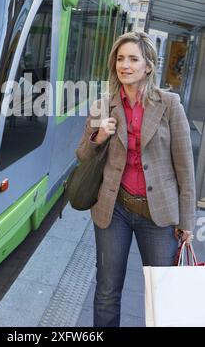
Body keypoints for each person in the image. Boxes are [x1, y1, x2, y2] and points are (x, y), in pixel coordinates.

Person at [76, 31, 196, 327]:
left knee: (160, 294)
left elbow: (185, 169)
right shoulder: (103, 105)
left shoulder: (169, 105)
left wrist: (187, 223)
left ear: (148, 66)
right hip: (114, 209)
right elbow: (82, 154)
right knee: (106, 290)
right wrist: (99, 135)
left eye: (133, 59)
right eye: (120, 59)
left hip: (159, 217)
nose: (125, 65)